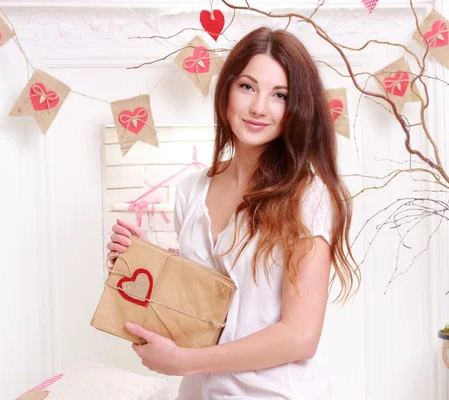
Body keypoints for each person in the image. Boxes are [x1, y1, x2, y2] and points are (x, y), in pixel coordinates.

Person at [106, 26, 360, 400]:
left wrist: (186, 362)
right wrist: (147, 264)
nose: (259, 107)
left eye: (280, 95)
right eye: (247, 86)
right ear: (226, 90)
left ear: (297, 108)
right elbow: (205, 315)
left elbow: (300, 337)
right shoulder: (192, 191)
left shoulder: (308, 196)